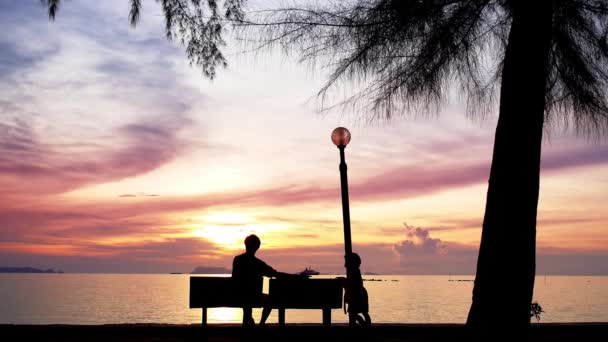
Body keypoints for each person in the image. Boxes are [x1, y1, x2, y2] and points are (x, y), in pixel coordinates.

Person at [232, 234, 299, 327]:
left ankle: (250, 321)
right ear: (257, 247)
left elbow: (235, 279)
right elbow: (276, 274)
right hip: (254, 297)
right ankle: (261, 324)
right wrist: (296, 277)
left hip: (236, 296)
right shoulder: (258, 264)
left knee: (245, 295)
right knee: (270, 300)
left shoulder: (237, 260)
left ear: (246, 244)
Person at [343, 253, 371, 326]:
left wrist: (345, 282)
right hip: (358, 294)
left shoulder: (354, 271)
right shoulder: (354, 270)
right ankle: (365, 326)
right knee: (360, 313)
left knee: (356, 313)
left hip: (358, 294)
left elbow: (354, 283)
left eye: (346, 261)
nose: (345, 264)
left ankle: (365, 326)